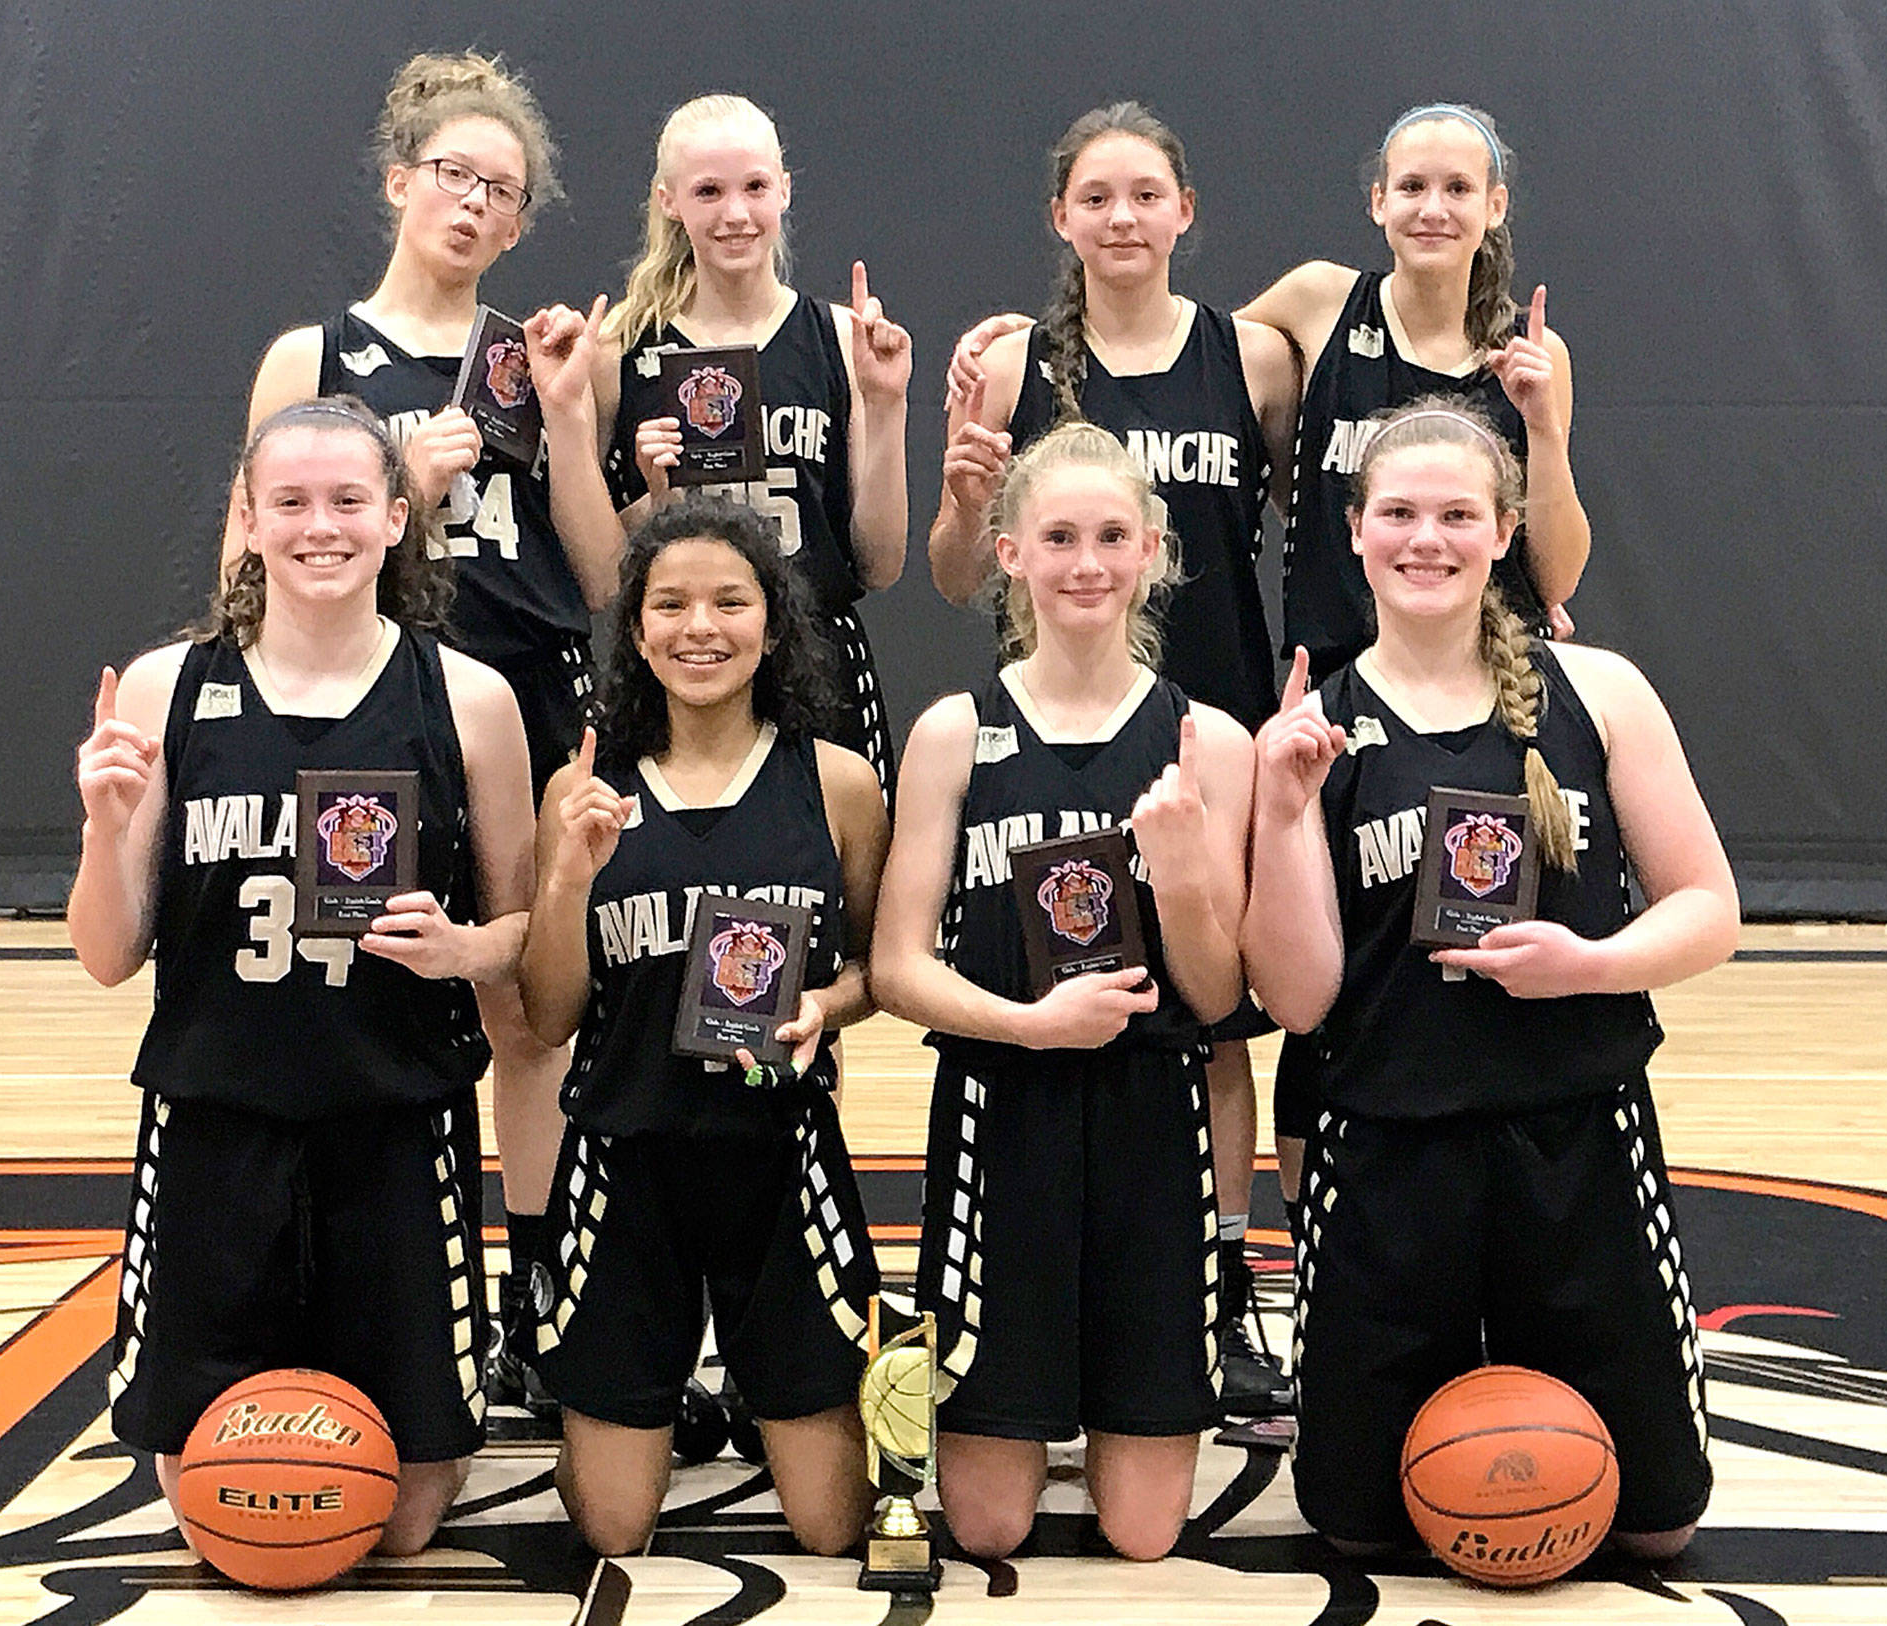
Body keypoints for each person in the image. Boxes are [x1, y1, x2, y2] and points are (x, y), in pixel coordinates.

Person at [951, 102, 1593, 1216]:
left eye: (1456, 187)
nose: (1431, 206)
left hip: (1339, 701)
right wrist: (1009, 348)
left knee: (1328, 987)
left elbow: (1555, 564)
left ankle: (1330, 1247)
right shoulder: (1299, 312)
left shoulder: (1514, 362)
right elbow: (1159, 344)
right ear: (1374, 201)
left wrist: (1536, 457)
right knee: (1219, 981)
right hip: (1283, 701)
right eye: (1410, 185)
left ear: (1495, 207)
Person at [1242, 398, 1732, 1558]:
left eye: (1456, 514)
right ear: (1353, 530)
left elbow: (1708, 910)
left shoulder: (1597, 690)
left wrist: (1589, 966)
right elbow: (1299, 1004)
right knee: (1355, 1525)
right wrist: (1277, 806)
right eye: (1398, 513)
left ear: (1503, 530)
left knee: (1657, 1525)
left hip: (1571, 1129)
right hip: (1383, 1147)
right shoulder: (1313, 729)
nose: (1427, 539)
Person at [222, 51, 620, 1406]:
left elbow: (598, 566)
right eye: (455, 174)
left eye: (502, 192)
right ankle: (349, 1274)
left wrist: (571, 419)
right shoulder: (313, 353)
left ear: (519, 223)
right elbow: (243, 553)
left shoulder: (533, 352)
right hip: (369, 699)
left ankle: (536, 1292)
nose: (475, 202)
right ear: (400, 183)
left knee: (528, 1008)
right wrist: (405, 483)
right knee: (362, 986)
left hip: (524, 685)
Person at [71, 398, 536, 1552]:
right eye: (289, 502)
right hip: (216, 1116)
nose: (317, 528)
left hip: (393, 1112)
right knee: (214, 1510)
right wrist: (102, 826)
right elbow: (106, 953)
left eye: (344, 502)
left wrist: (468, 948)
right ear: (248, 516)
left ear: (395, 517)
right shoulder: (164, 690)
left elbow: (530, 925)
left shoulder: (466, 697)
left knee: (407, 1521)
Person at [927, 103, 1300, 1415]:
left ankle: (1219, 1280)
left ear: (1186, 212)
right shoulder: (1009, 366)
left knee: (1215, 1022)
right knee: (1070, 992)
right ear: (1062, 219)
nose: (1123, 217)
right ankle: (1053, 1279)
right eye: (1098, 197)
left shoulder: (1255, 358)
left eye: (1147, 194)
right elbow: (953, 572)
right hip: (1064, 725)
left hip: (1217, 723)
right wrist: (972, 492)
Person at [874, 422, 1253, 1560]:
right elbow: (896, 967)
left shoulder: (1207, 740)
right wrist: (1028, 1027)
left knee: (1143, 1536)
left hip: (1151, 1115)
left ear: (1149, 552)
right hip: (1003, 1115)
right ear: (1008, 557)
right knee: (985, 1529)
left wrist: (1184, 877)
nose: (1084, 562)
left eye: (1107, 538)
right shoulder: (954, 731)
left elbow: (1218, 989)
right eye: (1056, 538)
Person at [517, 498, 889, 1557]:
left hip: (779, 1158)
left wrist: (826, 1002)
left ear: (772, 625)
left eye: (730, 601)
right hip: (624, 1158)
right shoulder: (583, 793)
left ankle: (753, 1395)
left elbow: (876, 967)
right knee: (614, 1528)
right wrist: (564, 880)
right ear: (635, 631)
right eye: (669, 603)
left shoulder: (837, 784)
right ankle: (637, 1403)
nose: (700, 628)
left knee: (830, 1527)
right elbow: (547, 1016)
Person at [582, 93, 911, 793]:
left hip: (815, 660)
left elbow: (880, 564)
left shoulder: (843, 343)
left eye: (755, 187)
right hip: (678, 672)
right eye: (709, 192)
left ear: (784, 190)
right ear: (669, 201)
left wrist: (886, 407)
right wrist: (653, 501)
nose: (735, 214)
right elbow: (599, 575)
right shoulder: (617, 355)